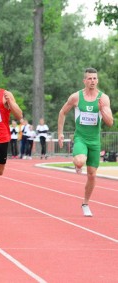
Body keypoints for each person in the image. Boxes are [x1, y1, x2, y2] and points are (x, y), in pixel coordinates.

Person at [58, 68, 114, 217]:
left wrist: (102, 110)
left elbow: (110, 122)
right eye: (89, 78)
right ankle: (77, 163)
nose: (92, 81)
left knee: (92, 175)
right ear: (84, 81)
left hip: (95, 141)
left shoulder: (104, 99)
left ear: (97, 80)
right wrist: (60, 133)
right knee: (80, 160)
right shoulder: (76, 97)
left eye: (95, 78)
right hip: (80, 138)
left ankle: (85, 203)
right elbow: (62, 112)